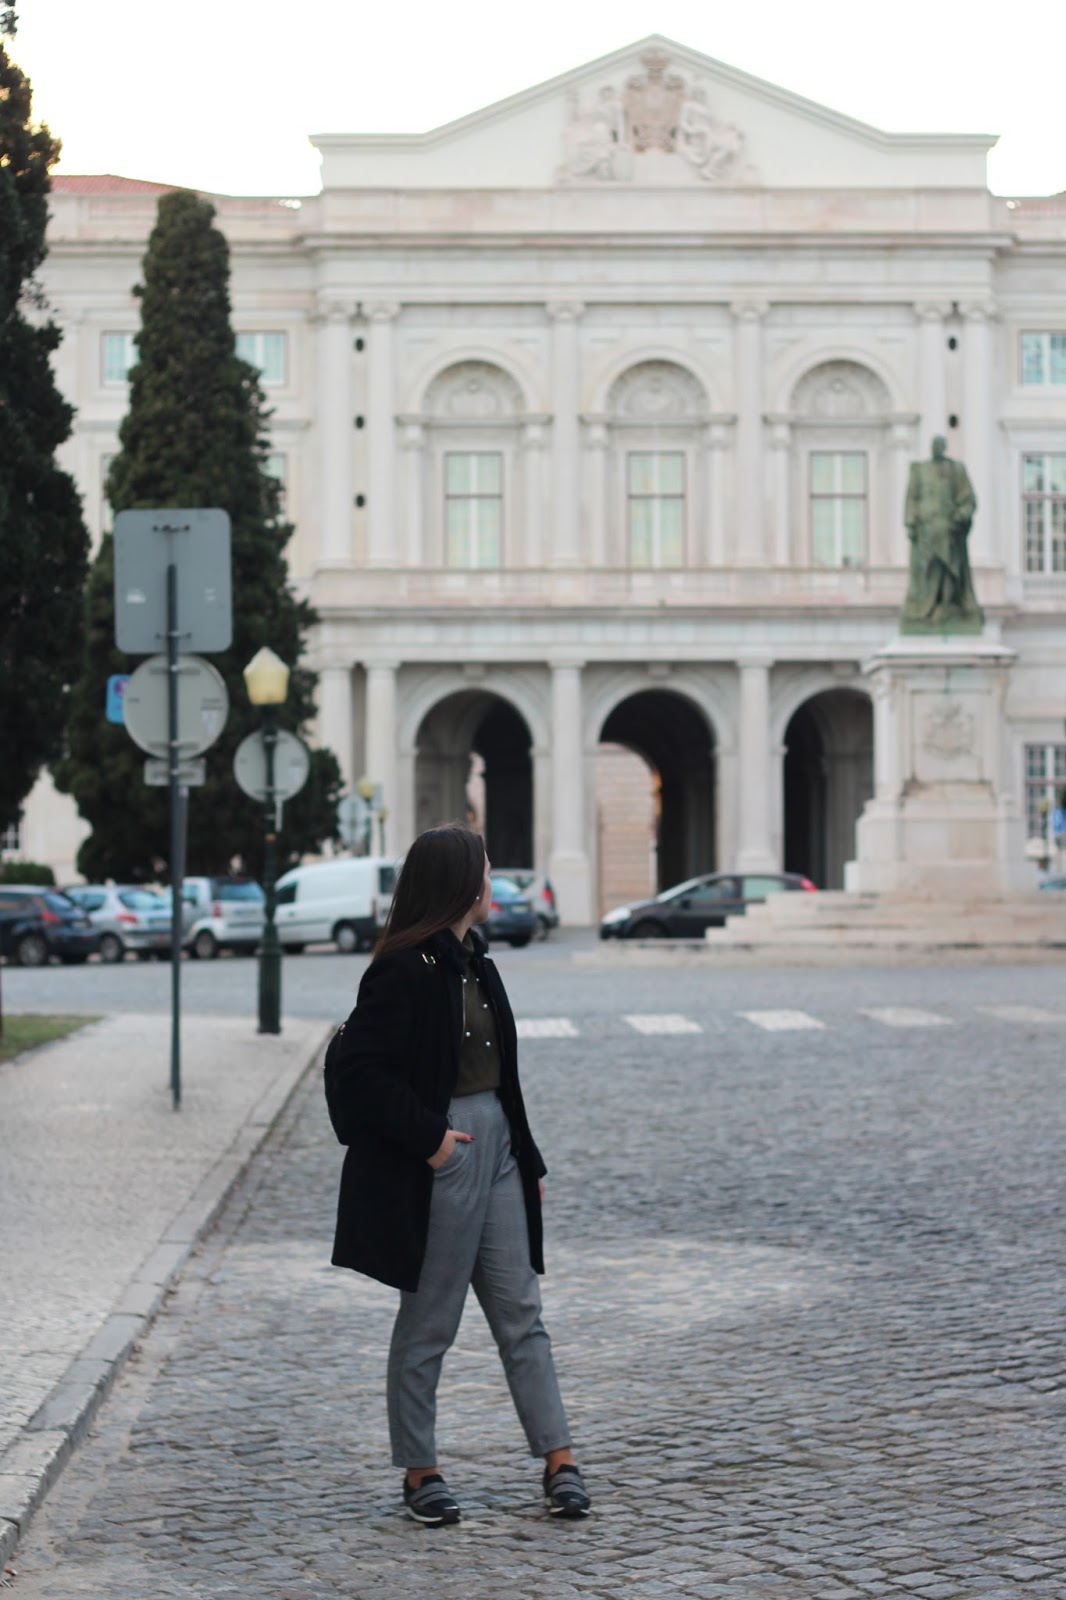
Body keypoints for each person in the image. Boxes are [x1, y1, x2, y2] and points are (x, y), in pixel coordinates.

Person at [325, 823, 590, 1526]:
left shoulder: (479, 962)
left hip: (499, 1149)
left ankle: (560, 1460)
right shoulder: (401, 968)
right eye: (486, 871)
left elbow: (506, 1079)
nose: (493, 882)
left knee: (522, 1313)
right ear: (459, 884)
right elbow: (362, 1074)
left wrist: (526, 1161)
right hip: (444, 1153)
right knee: (430, 1321)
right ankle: (421, 1471)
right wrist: (433, 1142)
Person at [901, 435, 983, 632]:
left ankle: (948, 606)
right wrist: (911, 523)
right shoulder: (919, 470)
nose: (936, 448)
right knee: (928, 568)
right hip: (925, 531)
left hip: (949, 529)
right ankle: (926, 608)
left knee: (950, 568)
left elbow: (968, 499)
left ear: (944, 448)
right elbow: (911, 498)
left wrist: (962, 514)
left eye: (940, 445)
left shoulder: (956, 470)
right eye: (934, 445)